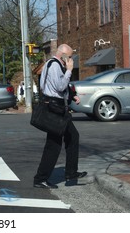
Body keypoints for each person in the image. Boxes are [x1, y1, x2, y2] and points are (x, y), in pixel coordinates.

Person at [33, 44, 87, 189]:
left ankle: (70, 172)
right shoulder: (55, 66)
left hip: (56, 106)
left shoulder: (52, 64)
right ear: (63, 56)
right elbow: (60, 86)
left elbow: (60, 87)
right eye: (69, 57)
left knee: (70, 137)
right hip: (54, 108)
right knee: (54, 145)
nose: (70, 59)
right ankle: (41, 179)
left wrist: (72, 96)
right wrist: (69, 70)